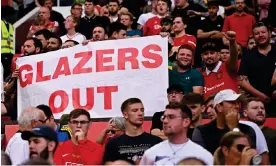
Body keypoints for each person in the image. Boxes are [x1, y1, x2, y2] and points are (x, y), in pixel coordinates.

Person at [192, 89, 269, 164]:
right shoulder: (202, 131)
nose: (237, 106)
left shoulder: (248, 129)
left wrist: (233, 127)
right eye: (232, 102)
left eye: (237, 103)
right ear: (219, 107)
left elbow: (247, 156)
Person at [140, 103, 213, 165]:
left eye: (171, 117)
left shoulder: (203, 155)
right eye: (164, 117)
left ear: (186, 122)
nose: (165, 121)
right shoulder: (150, 154)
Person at [103, 98, 162, 164]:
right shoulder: (113, 144)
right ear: (125, 115)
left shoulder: (156, 142)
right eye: (135, 110)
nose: (140, 113)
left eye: (142, 110)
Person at [239, 23, 276, 116]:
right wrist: (260, 96)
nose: (260, 35)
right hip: (258, 103)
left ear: (270, 33)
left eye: (263, 32)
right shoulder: (248, 56)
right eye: (257, 33)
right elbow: (242, 81)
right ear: (253, 36)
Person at [199, 31, 238, 99]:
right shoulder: (199, 73)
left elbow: (234, 55)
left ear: (219, 55)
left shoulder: (227, 67)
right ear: (202, 57)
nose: (209, 56)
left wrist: (232, 42)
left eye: (212, 53)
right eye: (206, 54)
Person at [243, 97, 276, 164]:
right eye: (255, 108)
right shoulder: (240, 134)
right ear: (245, 113)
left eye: (262, 108)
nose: (260, 110)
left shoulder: (273, 134)